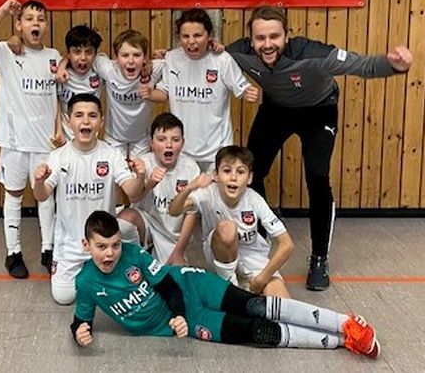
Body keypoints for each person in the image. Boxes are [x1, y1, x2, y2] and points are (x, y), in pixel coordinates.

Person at [226, 6, 413, 291]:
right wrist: (166, 57)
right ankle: (260, 235)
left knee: (317, 176)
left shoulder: (313, 54)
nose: (267, 44)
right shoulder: (239, 52)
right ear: (251, 40)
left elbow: (360, 65)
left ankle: (319, 257)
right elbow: (206, 56)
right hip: (276, 110)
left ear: (287, 36)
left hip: (319, 111)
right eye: (260, 38)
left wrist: (394, 65)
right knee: (251, 172)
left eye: (274, 37)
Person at [72, 210, 380, 359]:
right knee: (257, 332)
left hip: (190, 287)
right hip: (190, 319)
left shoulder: (132, 253)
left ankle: (346, 323)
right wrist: (79, 333)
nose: (110, 253)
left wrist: (176, 314)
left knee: (254, 305)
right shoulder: (85, 283)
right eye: (102, 247)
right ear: (87, 245)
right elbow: (80, 320)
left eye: (115, 245)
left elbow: (167, 286)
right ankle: (342, 341)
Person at [33, 94, 145, 304]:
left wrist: (140, 177)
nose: (86, 121)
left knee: (127, 291)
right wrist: (39, 181)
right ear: (68, 121)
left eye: (92, 116)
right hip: (70, 246)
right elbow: (42, 195)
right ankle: (90, 274)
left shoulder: (111, 155)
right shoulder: (58, 156)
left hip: (104, 245)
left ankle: (130, 253)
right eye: (79, 115)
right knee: (63, 297)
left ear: (101, 122)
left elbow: (133, 192)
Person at [0, 0, 60, 279]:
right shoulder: (6, 51)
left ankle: (48, 250)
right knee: (13, 195)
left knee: (45, 197)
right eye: (29, 19)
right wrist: (1, 11)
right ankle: (13, 253)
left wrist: (59, 128)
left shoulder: (53, 56)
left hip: (45, 143)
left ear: (46, 25)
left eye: (41, 19)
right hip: (13, 143)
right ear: (19, 24)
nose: (36, 23)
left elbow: (57, 97)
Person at [168, 146, 293, 297]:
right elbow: (173, 210)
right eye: (227, 171)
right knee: (227, 228)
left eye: (240, 172)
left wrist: (262, 279)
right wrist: (190, 187)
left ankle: (245, 290)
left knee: (280, 302)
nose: (233, 177)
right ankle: (231, 288)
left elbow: (287, 244)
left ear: (249, 178)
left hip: (253, 258)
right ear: (216, 175)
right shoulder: (207, 193)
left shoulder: (255, 200)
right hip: (218, 253)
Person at [150, 9, 259, 171]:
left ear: (209, 36)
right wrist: (146, 93)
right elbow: (164, 92)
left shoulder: (222, 60)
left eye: (197, 35)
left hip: (217, 152)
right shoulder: (171, 58)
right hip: (180, 152)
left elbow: (242, 88)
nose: (191, 41)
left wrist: (249, 93)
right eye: (185, 36)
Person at [118, 113, 212, 265]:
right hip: (147, 223)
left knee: (172, 275)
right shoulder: (143, 163)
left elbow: (191, 214)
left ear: (183, 143)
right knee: (125, 220)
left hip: (173, 235)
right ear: (151, 143)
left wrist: (179, 252)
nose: (169, 145)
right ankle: (135, 261)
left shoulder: (190, 168)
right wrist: (149, 183)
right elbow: (133, 198)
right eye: (161, 139)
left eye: (175, 140)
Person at [92, 29, 164, 159]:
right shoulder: (109, 70)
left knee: (140, 171)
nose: (131, 61)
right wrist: (62, 65)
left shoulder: (154, 69)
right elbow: (92, 57)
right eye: (125, 55)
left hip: (141, 139)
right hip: (114, 138)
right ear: (116, 58)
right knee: (116, 171)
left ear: (145, 57)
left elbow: (177, 60)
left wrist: (163, 54)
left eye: (136, 55)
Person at [55, 25, 103, 145]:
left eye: (88, 52)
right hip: (65, 138)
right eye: (77, 52)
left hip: (90, 137)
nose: (83, 57)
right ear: (68, 54)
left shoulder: (100, 71)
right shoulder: (60, 74)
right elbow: (56, 102)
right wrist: (58, 129)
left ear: (95, 54)